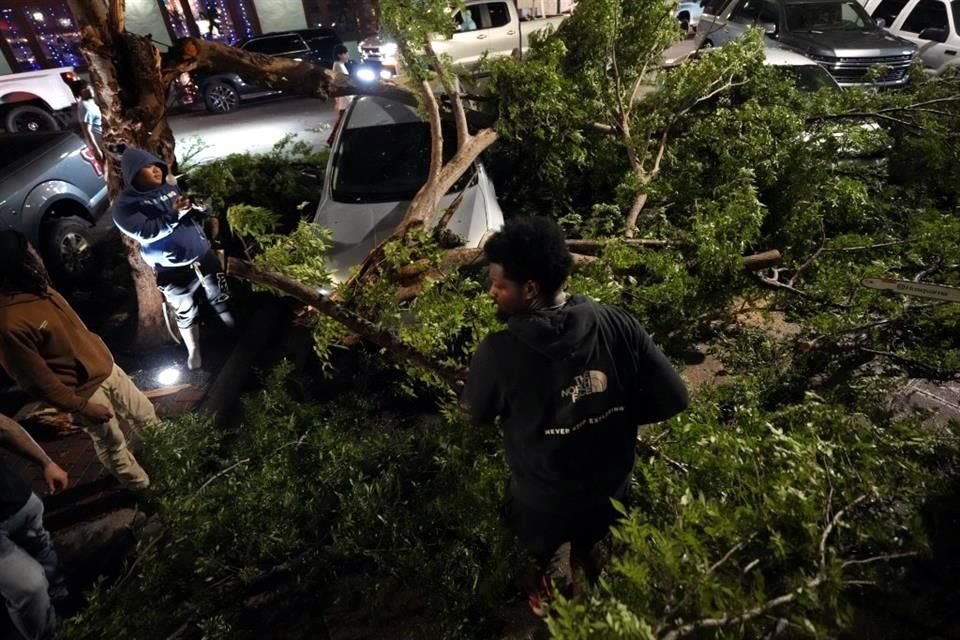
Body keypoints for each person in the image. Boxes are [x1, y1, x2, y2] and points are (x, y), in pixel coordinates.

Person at [461, 217, 688, 615]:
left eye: (499, 284)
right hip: (611, 490)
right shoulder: (617, 323)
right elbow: (675, 397)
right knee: (603, 557)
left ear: (530, 288)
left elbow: (474, 416)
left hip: (541, 504)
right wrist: (615, 419)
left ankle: (554, 596)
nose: (491, 291)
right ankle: (596, 583)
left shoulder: (498, 353)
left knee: (541, 555)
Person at [0, 230, 156, 493]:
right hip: (85, 392)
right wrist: (81, 407)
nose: (36, 254)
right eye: (30, 251)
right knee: (113, 444)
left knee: (146, 416)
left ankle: (166, 460)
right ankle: (145, 490)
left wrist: (101, 354)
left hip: (106, 369)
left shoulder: (39, 288)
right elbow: (36, 380)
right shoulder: (8, 322)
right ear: (17, 262)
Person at [112, 146, 235, 370]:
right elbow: (147, 232)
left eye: (156, 165)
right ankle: (193, 351)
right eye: (147, 168)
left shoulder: (170, 186)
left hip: (202, 253)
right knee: (184, 310)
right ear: (132, 174)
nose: (156, 170)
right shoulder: (124, 206)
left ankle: (234, 330)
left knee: (220, 294)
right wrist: (176, 213)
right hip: (172, 268)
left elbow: (199, 212)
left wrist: (201, 207)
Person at [0, 412, 69, 640]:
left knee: (43, 551)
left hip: (18, 499)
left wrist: (46, 462)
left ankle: (67, 608)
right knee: (29, 588)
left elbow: (4, 426)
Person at [327, 45, 351, 147]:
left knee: (342, 120)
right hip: (344, 99)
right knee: (341, 120)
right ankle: (332, 140)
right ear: (340, 55)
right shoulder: (338, 65)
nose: (347, 55)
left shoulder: (340, 65)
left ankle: (333, 140)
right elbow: (339, 82)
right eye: (345, 53)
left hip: (345, 98)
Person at [75, 81, 103, 167]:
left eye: (89, 87)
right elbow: (87, 131)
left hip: (104, 143)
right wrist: (97, 150)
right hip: (100, 145)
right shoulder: (84, 106)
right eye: (85, 89)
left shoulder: (91, 103)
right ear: (80, 93)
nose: (89, 90)